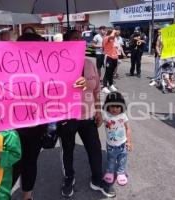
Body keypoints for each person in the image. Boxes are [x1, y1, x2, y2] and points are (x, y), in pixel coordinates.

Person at [0, 32, 87, 200]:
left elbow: (63, 86)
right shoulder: (4, 66)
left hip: (36, 129)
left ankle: (27, 196)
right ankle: (2, 194)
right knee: (8, 165)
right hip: (8, 130)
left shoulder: (45, 66)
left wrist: (78, 83)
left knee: (30, 163)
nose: (37, 54)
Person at [59, 30, 116, 198]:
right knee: (67, 151)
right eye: (74, 38)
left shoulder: (90, 64)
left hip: (88, 116)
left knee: (95, 149)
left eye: (80, 38)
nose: (79, 41)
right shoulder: (59, 64)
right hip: (67, 117)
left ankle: (97, 179)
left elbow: (97, 90)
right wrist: (71, 82)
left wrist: (98, 111)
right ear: (67, 42)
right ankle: (69, 178)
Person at [102, 92, 132, 186]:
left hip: (122, 144)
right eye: (112, 106)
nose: (115, 109)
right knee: (111, 159)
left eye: (117, 107)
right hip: (110, 145)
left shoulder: (123, 116)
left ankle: (121, 173)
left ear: (122, 107)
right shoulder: (105, 115)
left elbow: (128, 128)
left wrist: (129, 141)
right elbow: (98, 122)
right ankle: (110, 172)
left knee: (122, 159)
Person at [102, 29, 119, 94]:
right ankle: (104, 87)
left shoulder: (114, 39)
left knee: (111, 72)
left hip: (114, 57)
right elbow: (111, 37)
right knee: (107, 72)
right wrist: (114, 31)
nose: (115, 35)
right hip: (108, 57)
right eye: (114, 34)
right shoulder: (106, 38)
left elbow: (116, 47)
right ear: (111, 33)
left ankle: (111, 85)